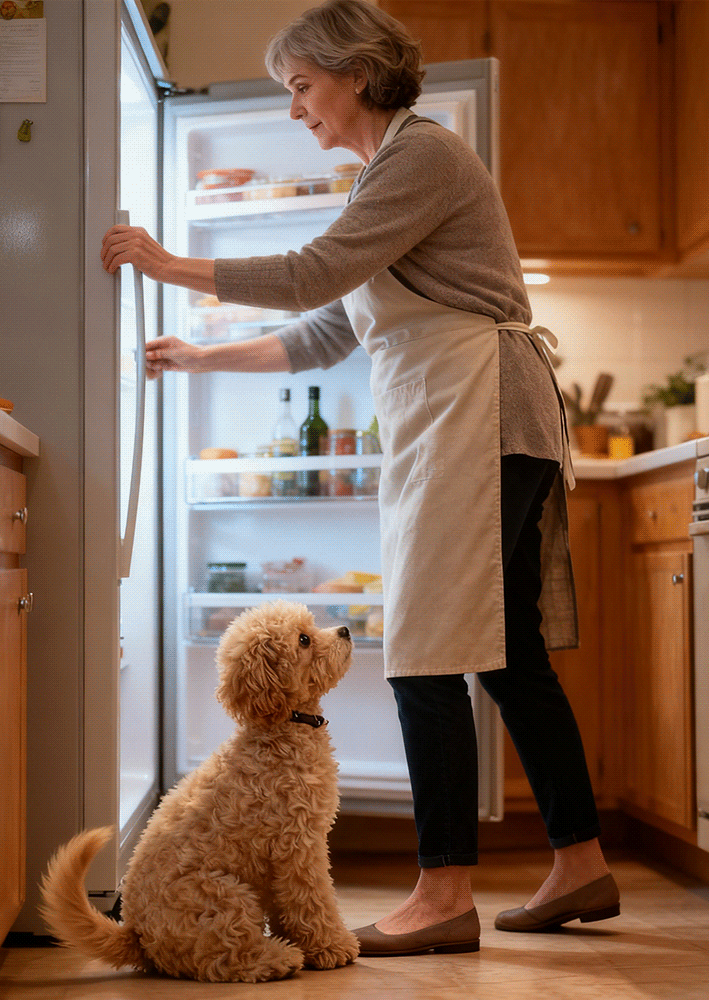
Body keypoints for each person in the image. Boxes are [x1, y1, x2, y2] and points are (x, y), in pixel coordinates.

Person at [101, 0, 620, 956]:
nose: (295, 107)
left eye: (301, 85)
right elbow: (325, 329)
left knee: (422, 648)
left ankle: (442, 892)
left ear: (356, 72)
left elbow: (311, 274)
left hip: (483, 415)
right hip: (477, 420)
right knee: (506, 656)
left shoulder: (419, 156)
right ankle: (581, 865)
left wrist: (170, 263)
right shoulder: (383, 181)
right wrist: (202, 359)